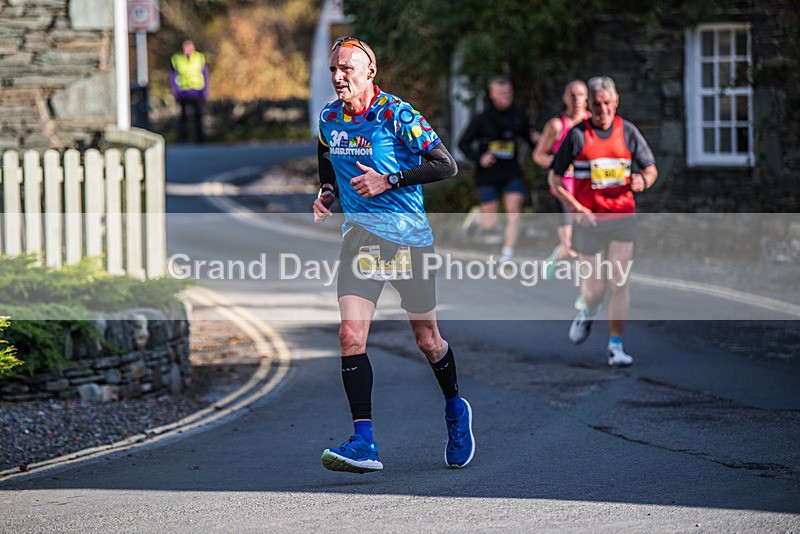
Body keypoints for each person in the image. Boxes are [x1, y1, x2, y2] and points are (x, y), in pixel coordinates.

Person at [313, 37, 474, 473]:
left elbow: (446, 165)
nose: (338, 77)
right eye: (333, 70)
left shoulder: (397, 114)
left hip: (407, 239)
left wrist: (391, 179)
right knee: (350, 334)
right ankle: (364, 442)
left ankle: (456, 410)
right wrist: (328, 192)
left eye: (347, 68)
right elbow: (328, 157)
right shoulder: (329, 117)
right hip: (361, 238)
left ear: (370, 71)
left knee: (427, 339)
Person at [548, 76, 658, 367]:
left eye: (607, 104)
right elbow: (554, 178)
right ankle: (587, 309)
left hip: (622, 216)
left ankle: (615, 345)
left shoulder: (628, 132)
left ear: (616, 102)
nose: (602, 111)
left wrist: (642, 180)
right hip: (589, 222)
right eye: (596, 105)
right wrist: (576, 207)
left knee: (619, 281)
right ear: (590, 105)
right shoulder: (577, 135)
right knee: (595, 289)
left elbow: (650, 168)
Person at [458, 77, 537, 263]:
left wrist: (539, 140)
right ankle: (478, 218)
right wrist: (480, 157)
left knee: (514, 211)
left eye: (509, 92)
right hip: (488, 175)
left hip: (511, 173)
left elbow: (529, 137)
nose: (506, 96)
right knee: (490, 222)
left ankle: (507, 255)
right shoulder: (482, 119)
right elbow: (463, 144)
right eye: (502, 92)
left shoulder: (518, 116)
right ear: (492, 95)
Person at [533, 79, 590, 289]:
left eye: (581, 95)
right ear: (565, 98)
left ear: (587, 98)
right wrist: (558, 163)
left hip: (586, 189)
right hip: (562, 189)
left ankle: (588, 286)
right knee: (570, 245)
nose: (577, 100)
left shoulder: (592, 125)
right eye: (572, 95)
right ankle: (557, 255)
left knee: (587, 241)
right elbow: (538, 154)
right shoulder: (557, 125)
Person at [170, 40, 209, 143]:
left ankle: (200, 138)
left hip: (197, 91)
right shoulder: (177, 59)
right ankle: (184, 138)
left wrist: (204, 93)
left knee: (198, 116)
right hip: (183, 92)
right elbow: (173, 77)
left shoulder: (199, 57)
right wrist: (176, 92)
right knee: (183, 117)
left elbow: (205, 75)